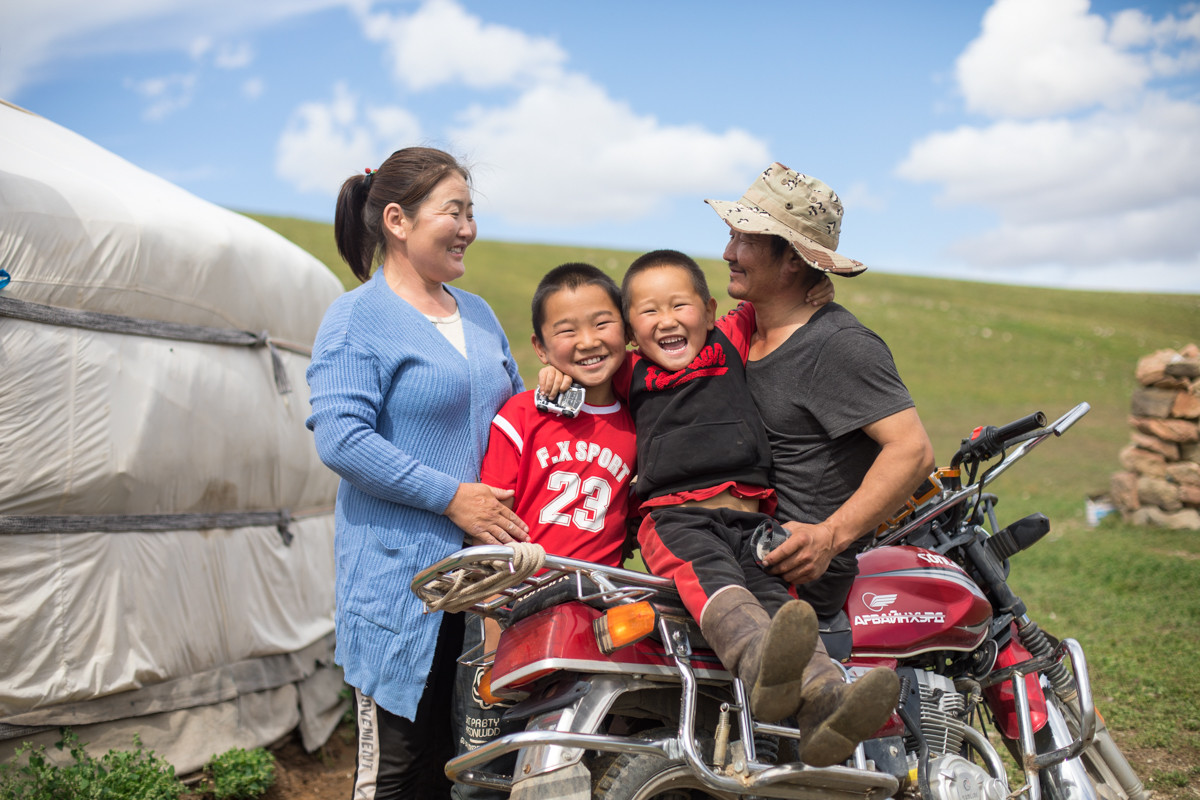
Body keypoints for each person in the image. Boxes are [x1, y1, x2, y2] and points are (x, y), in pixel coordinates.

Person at [612, 250, 899, 765]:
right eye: (649, 312)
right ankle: (758, 669)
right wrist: (557, 378)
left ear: (709, 308)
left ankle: (828, 708)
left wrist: (814, 284)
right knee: (721, 591)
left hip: (751, 521)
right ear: (630, 332)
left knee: (785, 613)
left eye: (681, 305)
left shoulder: (727, 339)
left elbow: (775, 298)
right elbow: (584, 362)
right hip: (676, 519)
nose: (669, 319)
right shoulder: (626, 370)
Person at [306, 147, 528, 800]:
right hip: (399, 586)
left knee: (473, 767)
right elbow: (343, 438)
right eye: (453, 211)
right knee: (400, 773)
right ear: (398, 220)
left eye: (470, 212)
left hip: (488, 583)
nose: (468, 228)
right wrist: (450, 497)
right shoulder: (356, 319)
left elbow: (518, 417)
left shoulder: (481, 315)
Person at [706, 163, 936, 755]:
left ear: (792, 261)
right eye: (733, 235)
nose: (729, 250)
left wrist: (830, 537)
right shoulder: (741, 330)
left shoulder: (838, 346)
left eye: (747, 240)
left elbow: (911, 451)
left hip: (797, 579)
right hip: (739, 552)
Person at [452, 263, 638, 799]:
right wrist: (490, 631)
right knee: (483, 769)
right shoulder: (523, 414)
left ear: (625, 330)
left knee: (572, 759)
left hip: (585, 616)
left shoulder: (638, 425)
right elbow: (491, 529)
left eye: (602, 323)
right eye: (566, 330)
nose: (587, 341)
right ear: (539, 346)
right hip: (505, 613)